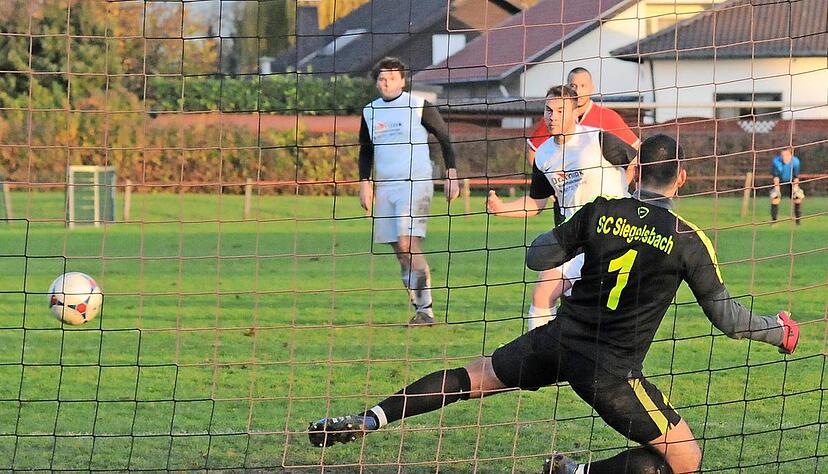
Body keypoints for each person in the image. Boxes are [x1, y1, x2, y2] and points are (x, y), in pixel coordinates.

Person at [307, 134, 800, 474]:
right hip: (610, 371)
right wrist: (779, 331)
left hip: (558, 340)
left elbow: (536, 257)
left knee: (470, 377)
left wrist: (573, 230)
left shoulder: (601, 211)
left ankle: (370, 418)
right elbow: (728, 319)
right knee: (685, 460)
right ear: (683, 178)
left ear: (633, 172)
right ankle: (577, 472)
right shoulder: (688, 239)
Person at [487, 85, 636, 331]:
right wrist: (501, 208)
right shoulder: (544, 155)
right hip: (573, 238)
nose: (552, 116)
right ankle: (539, 351)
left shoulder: (597, 139)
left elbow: (636, 162)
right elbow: (536, 202)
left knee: (600, 311)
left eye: (560, 110)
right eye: (548, 110)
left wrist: (625, 195)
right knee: (543, 294)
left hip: (610, 236)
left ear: (576, 112)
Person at [358, 57, 460, 326]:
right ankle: (420, 308)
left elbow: (444, 138)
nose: (386, 83)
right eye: (382, 79)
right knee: (399, 250)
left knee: (408, 244)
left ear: (403, 81)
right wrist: (365, 183)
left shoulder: (418, 106)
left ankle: (426, 311)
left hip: (415, 183)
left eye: (392, 78)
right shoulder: (370, 111)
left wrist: (451, 174)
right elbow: (365, 151)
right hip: (386, 187)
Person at [770, 147, 804, 225]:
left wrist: (795, 188)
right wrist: (777, 188)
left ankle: (798, 222)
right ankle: (774, 221)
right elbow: (776, 176)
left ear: (791, 155)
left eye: (787, 155)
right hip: (780, 182)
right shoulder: (776, 161)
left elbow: (796, 177)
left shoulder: (795, 162)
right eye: (783, 155)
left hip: (792, 182)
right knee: (775, 198)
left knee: (798, 198)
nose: (784, 157)